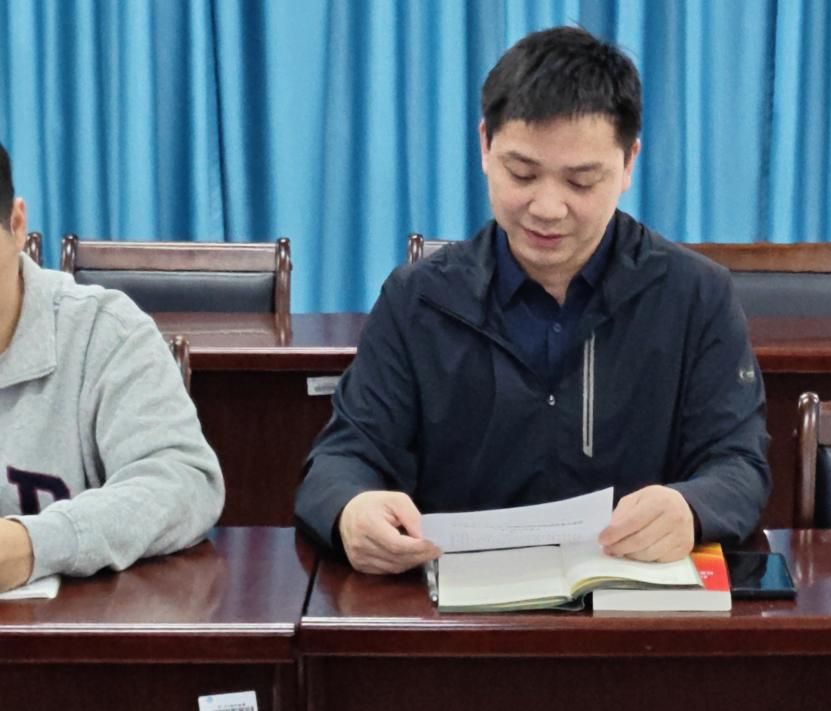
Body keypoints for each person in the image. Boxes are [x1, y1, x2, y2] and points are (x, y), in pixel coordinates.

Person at [296, 26, 769, 574]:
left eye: (581, 182)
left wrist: (691, 508)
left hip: (633, 605)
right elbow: (342, 457)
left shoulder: (694, 296)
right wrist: (352, 510)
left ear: (628, 164)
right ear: (485, 146)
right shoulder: (418, 301)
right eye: (522, 173)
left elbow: (739, 462)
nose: (547, 208)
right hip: (459, 609)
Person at [0, 141, 225, 592]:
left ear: (17, 225)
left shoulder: (103, 332)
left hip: (69, 627)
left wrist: (34, 544)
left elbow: (183, 482)